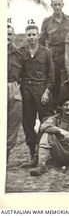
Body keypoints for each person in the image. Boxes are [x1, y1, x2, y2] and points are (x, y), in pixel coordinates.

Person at [20, 25, 55, 167]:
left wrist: (47, 92)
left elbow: (51, 75)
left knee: (45, 121)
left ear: (38, 35)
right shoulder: (20, 52)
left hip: (41, 88)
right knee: (28, 122)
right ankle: (32, 154)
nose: (32, 37)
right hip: (26, 89)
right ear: (25, 36)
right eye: (29, 35)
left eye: (34, 34)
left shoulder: (46, 52)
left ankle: (43, 153)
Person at [39, 0, 69, 102]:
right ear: (52, 6)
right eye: (55, 5)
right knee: (52, 83)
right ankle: (54, 111)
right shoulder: (46, 22)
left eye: (59, 4)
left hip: (67, 55)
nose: (57, 7)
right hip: (53, 57)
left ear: (63, 5)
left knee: (66, 83)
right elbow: (41, 41)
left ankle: (66, 110)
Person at [7, 24, 22, 162]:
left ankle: (6, 153)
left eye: (10, 34)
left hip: (13, 87)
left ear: (13, 36)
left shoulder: (18, 54)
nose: (7, 37)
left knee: (13, 123)